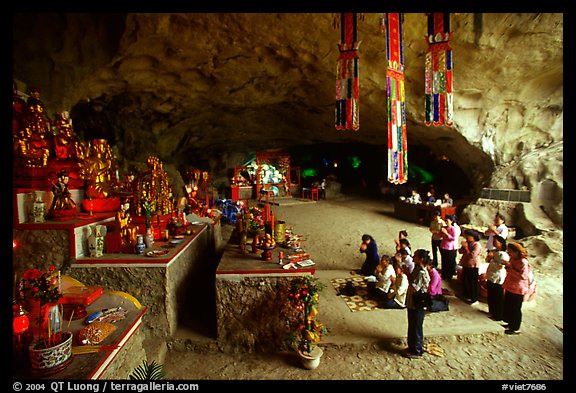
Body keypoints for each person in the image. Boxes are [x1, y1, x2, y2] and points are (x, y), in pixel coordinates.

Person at [403, 249, 431, 359]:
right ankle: (413, 347)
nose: (413, 257)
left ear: (421, 259)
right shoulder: (417, 269)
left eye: (415, 256)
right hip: (413, 302)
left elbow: (414, 288)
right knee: (413, 325)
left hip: (418, 303)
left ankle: (416, 350)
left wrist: (407, 277)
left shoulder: (421, 272)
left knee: (416, 326)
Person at [502, 242, 531, 334]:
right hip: (511, 285)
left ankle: (515, 328)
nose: (509, 253)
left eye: (510, 251)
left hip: (518, 288)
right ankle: (511, 323)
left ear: (517, 252)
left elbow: (523, 276)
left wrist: (510, 268)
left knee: (515, 308)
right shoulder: (513, 259)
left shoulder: (523, 262)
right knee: (509, 305)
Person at [485, 235, 509, 321]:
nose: (494, 242)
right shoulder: (494, 251)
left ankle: (498, 315)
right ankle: (492, 312)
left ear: (501, 243)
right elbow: (487, 260)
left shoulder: (503, 254)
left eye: (496, 241)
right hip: (491, 276)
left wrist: (492, 259)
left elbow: (500, 266)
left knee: (497, 297)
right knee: (491, 296)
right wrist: (490, 257)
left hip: (497, 277)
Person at [458, 229, 483, 304]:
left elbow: (472, 256)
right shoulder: (468, 243)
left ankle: (474, 298)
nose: (466, 238)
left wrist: (466, 248)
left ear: (473, 237)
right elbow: (460, 251)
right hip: (466, 264)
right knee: (465, 281)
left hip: (473, 266)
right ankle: (466, 295)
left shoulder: (476, 245)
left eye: (468, 236)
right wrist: (463, 247)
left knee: (472, 282)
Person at [439, 214, 461, 280]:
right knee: (444, 261)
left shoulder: (454, 229)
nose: (445, 222)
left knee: (450, 262)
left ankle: (449, 275)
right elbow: (441, 235)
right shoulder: (445, 228)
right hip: (444, 246)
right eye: (445, 220)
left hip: (451, 248)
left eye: (447, 220)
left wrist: (446, 233)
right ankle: (444, 274)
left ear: (451, 221)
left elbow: (453, 238)